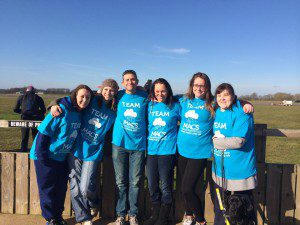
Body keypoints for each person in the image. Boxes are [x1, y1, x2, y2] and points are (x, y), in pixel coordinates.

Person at [177, 72, 254, 225]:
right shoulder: (184, 100)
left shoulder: (213, 103)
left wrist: (246, 102)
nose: (198, 88)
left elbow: (230, 101)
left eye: (202, 85)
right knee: (184, 187)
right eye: (196, 84)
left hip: (200, 151)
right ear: (192, 85)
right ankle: (189, 215)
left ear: (207, 87)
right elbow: (166, 99)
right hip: (182, 150)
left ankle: (200, 220)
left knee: (187, 188)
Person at [50, 79, 119, 225]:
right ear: (101, 89)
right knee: (75, 185)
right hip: (75, 148)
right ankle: (84, 217)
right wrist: (53, 104)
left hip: (93, 151)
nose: (108, 93)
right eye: (106, 89)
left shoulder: (115, 108)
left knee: (86, 187)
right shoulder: (93, 99)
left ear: (116, 92)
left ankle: (94, 202)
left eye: (112, 90)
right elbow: (70, 99)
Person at [30, 84, 93, 225]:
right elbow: (43, 133)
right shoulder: (60, 110)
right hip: (45, 156)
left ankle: (58, 217)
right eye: (81, 96)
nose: (84, 100)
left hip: (61, 157)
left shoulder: (80, 112)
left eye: (87, 97)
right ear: (75, 95)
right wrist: (42, 157)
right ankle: (50, 219)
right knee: (47, 188)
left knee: (60, 188)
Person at [212, 83, 257, 225]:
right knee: (221, 209)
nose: (222, 98)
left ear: (233, 96)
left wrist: (214, 142)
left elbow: (238, 141)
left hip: (240, 173)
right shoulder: (217, 110)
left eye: (226, 95)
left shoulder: (242, 112)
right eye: (219, 95)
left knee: (244, 213)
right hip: (220, 172)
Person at [112, 70, 148, 225]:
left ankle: (132, 214)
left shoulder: (145, 97)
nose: (130, 82)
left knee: (135, 182)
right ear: (122, 82)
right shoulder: (118, 95)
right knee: (120, 181)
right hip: (119, 144)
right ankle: (120, 215)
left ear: (137, 81)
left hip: (138, 145)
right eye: (127, 80)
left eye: (133, 79)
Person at [144, 78, 181, 225]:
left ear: (168, 91)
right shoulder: (149, 105)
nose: (160, 94)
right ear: (153, 91)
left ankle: (163, 218)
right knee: (152, 184)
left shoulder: (176, 106)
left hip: (168, 151)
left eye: (163, 91)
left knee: (165, 185)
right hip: (152, 151)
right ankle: (155, 215)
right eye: (157, 91)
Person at [14, 85, 46, 152]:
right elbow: (43, 110)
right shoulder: (38, 98)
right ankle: (36, 151)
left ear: (26, 90)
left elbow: (15, 109)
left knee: (24, 137)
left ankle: (23, 150)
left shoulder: (21, 97)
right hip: (35, 119)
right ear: (34, 91)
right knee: (35, 137)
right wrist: (36, 112)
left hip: (24, 119)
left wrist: (22, 112)